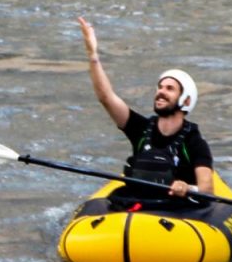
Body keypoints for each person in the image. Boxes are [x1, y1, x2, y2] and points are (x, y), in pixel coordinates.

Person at [75, 15, 213, 203]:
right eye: (160, 87)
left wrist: (188, 187)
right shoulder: (140, 128)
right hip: (140, 202)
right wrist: (93, 56)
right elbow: (106, 97)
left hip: (177, 209)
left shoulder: (194, 142)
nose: (161, 92)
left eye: (170, 89)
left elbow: (207, 189)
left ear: (186, 100)